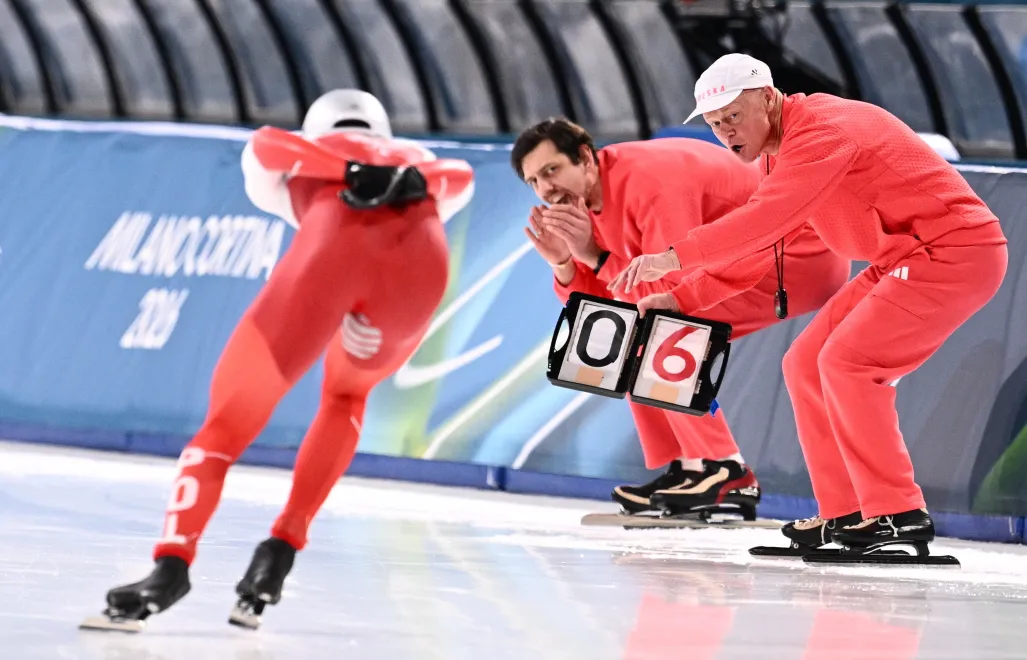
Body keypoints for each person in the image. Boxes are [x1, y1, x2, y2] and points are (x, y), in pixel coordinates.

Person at [82, 90, 475, 632]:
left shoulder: (302, 149)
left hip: (328, 255)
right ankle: (283, 547)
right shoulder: (418, 157)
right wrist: (408, 178)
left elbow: (265, 146)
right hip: (419, 272)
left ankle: (170, 567)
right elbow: (462, 176)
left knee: (221, 431)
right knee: (347, 396)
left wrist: (344, 169)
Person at [608, 53, 1008, 554]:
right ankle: (845, 512)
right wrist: (682, 296)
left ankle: (897, 513)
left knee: (848, 365)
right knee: (803, 364)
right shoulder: (781, 151)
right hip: (902, 257)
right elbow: (762, 247)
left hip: (952, 252)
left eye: (734, 116)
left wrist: (673, 258)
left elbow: (761, 219)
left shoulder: (822, 130)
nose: (726, 132)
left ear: (769, 98)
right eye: (714, 124)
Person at [511, 118, 850, 518]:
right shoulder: (588, 199)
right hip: (744, 261)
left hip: (798, 257)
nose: (546, 189)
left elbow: (670, 290)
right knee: (633, 335)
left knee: (659, 331)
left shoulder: (651, 183)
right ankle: (692, 467)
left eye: (551, 170)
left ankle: (724, 470)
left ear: (585, 157)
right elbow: (608, 306)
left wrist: (594, 257)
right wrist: (566, 263)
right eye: (534, 181)